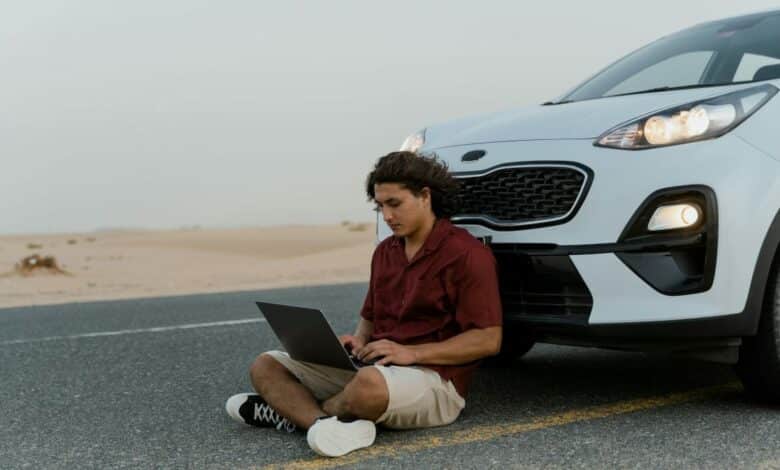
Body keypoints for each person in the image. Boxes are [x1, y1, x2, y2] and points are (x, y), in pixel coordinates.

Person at [225, 151, 503, 457]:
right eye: (379, 206)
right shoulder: (385, 252)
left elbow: (488, 339)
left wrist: (412, 352)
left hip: (434, 380)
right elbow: (370, 316)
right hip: (375, 367)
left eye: (394, 204)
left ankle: (293, 412)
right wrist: (357, 341)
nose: (386, 216)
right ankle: (322, 424)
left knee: (368, 385)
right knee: (266, 365)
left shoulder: (467, 255)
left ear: (425, 196)